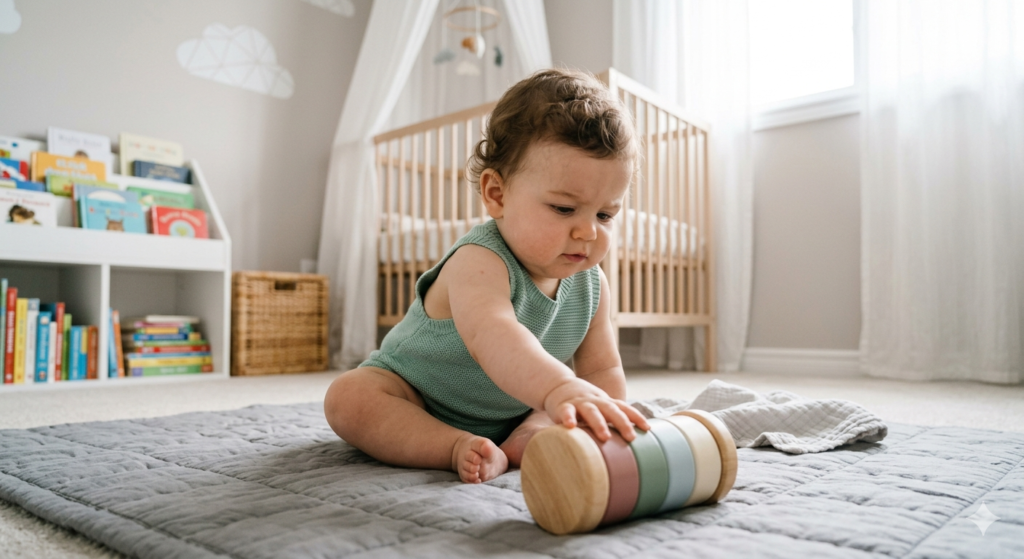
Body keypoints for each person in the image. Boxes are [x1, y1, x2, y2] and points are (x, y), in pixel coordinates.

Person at [324, 68, 650, 484]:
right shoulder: (479, 260)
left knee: (555, 411)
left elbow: (602, 371)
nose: (588, 232)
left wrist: (604, 418)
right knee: (349, 398)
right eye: (564, 209)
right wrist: (560, 389)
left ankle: (525, 437)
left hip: (515, 406)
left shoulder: (593, 285)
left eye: (605, 214)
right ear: (497, 195)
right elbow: (494, 339)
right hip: (417, 396)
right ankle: (453, 444)